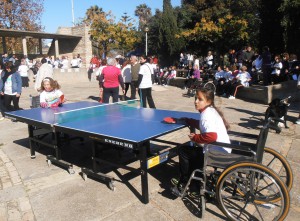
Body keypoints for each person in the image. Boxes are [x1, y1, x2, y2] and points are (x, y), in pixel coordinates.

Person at [171, 87, 230, 195]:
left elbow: (211, 136)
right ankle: (196, 182)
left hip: (216, 154)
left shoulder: (206, 115)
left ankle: (183, 184)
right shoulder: (211, 110)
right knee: (194, 152)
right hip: (223, 150)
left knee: (183, 150)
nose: (196, 101)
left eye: (200, 99)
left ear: (209, 101)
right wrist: (189, 120)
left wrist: (195, 138)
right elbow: (203, 125)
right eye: (195, 98)